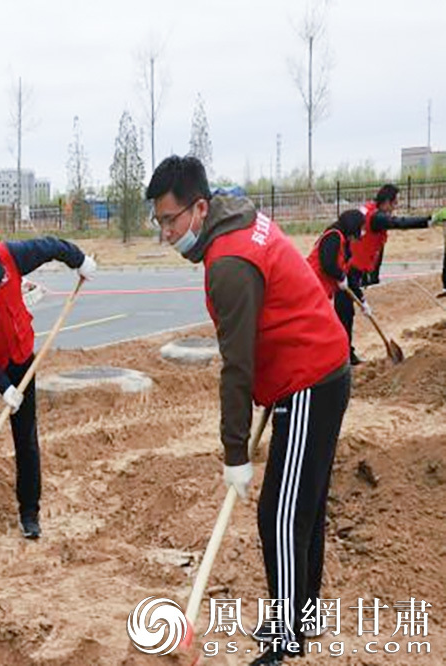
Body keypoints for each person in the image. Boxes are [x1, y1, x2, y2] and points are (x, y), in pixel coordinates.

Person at [146, 156, 350, 665]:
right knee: (303, 507)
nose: (167, 233)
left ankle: (285, 642)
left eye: (171, 220)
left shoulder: (229, 263)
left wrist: (234, 452)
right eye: (159, 222)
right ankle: (301, 618)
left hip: (309, 379)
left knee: (278, 515)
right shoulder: (237, 220)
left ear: (199, 207)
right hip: (313, 367)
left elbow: (236, 365)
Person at [0, 231, 96, 556]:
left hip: (21, 362)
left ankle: (29, 514)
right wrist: (2, 386)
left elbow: (50, 245)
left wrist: (79, 259)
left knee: (26, 439)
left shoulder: (8, 257)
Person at [339, 185, 432, 363]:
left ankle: (347, 354)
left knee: (346, 313)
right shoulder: (377, 218)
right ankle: (344, 357)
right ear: (387, 202)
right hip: (347, 269)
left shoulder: (370, 210)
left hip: (351, 266)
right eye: (395, 202)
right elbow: (399, 223)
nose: (395, 207)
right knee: (344, 313)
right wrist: (428, 221)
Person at [305, 209, 365, 302]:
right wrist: (340, 276)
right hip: (311, 287)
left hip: (323, 291)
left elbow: (348, 273)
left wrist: (362, 299)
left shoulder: (345, 243)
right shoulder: (333, 236)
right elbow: (328, 264)